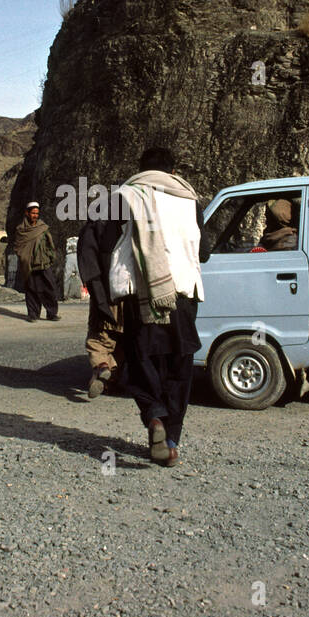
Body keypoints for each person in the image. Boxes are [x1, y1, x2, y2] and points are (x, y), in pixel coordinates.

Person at [109, 147, 204, 467]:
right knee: (179, 363)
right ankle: (172, 439)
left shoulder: (124, 195)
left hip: (140, 292)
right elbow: (201, 249)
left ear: (141, 169)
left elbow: (108, 244)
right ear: (172, 171)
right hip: (182, 291)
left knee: (141, 359)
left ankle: (154, 418)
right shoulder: (190, 198)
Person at [77, 214, 125, 398]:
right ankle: (112, 379)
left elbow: (89, 264)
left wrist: (97, 294)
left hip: (104, 292)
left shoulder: (93, 228)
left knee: (99, 338)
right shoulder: (127, 225)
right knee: (121, 339)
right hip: (126, 292)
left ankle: (102, 367)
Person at [13, 201, 59, 322]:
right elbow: (18, 247)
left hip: (44, 263)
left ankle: (52, 313)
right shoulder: (21, 230)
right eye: (33, 213)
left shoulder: (42, 228)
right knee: (31, 289)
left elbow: (50, 244)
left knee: (49, 288)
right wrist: (25, 258)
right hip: (29, 265)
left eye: (37, 213)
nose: (35, 216)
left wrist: (50, 256)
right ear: (27, 213)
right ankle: (33, 314)